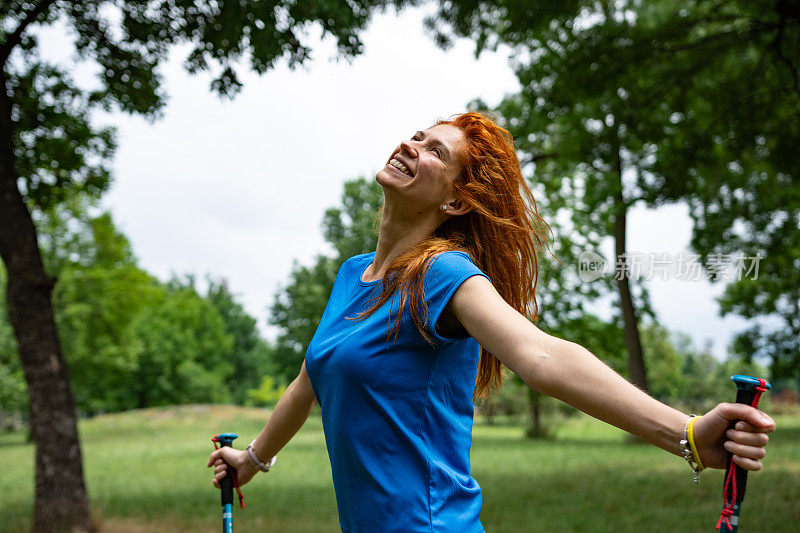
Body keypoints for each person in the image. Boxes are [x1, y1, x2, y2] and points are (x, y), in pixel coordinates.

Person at [207, 112, 776, 532]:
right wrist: (250, 461)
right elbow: (309, 383)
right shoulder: (353, 275)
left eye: (435, 153)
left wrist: (687, 436)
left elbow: (543, 356)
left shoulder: (442, 274)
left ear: (455, 203)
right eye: (417, 136)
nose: (412, 145)